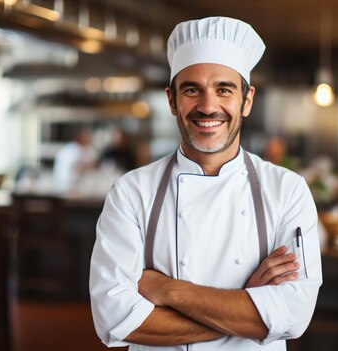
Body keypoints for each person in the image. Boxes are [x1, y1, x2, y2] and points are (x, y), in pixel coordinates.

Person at [89, 17, 322, 350]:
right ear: (172, 100)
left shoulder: (287, 191)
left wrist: (170, 291)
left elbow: (293, 317)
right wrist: (249, 308)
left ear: (247, 100)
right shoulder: (131, 193)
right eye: (192, 89)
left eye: (223, 89)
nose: (208, 106)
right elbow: (114, 319)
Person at [52, 128, 97, 193]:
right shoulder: (74, 150)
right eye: (86, 138)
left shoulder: (71, 147)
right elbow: (85, 164)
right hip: (67, 186)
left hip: (63, 184)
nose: (88, 140)